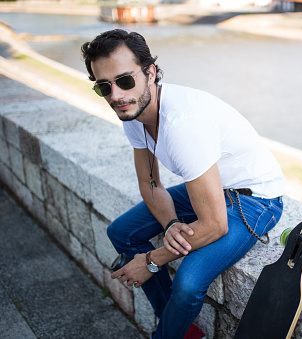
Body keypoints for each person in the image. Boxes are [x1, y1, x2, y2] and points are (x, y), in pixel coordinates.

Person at [80, 29, 285, 338]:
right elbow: (150, 184)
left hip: (254, 200)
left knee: (188, 281)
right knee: (121, 232)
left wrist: (149, 261)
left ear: (150, 73)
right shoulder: (135, 113)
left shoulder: (183, 126)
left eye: (124, 81)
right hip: (210, 190)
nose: (116, 96)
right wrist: (172, 223)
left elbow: (215, 225)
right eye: (103, 87)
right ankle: (179, 329)